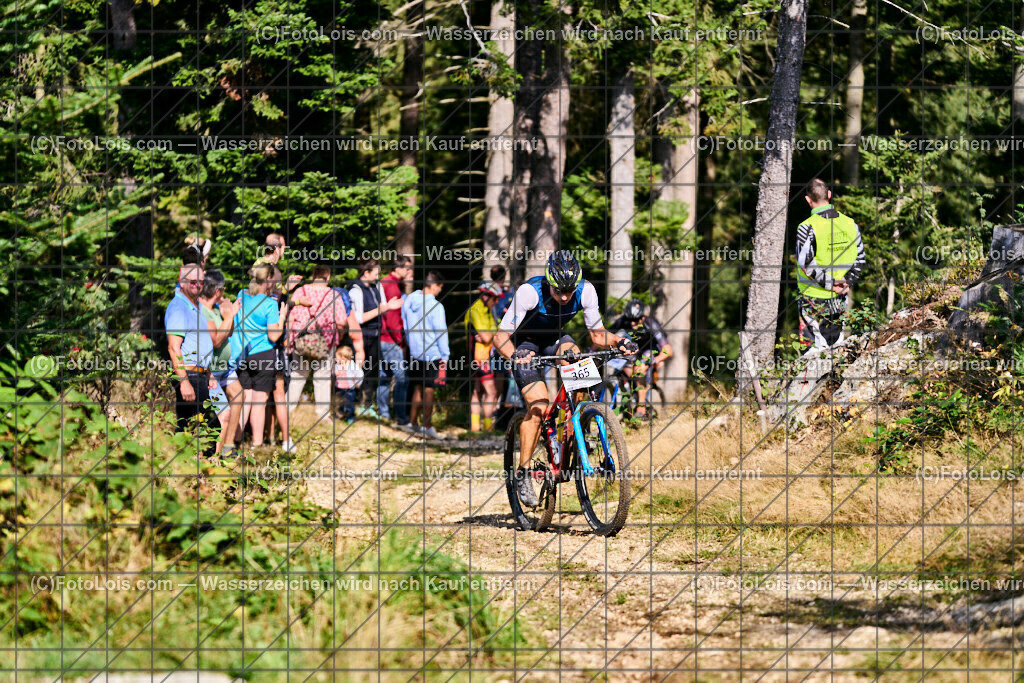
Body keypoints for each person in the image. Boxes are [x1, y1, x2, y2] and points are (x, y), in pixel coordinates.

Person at [492, 250, 636, 506]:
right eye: (559, 291)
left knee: (580, 365)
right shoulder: (529, 292)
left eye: (569, 291)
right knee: (538, 405)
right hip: (524, 345)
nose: (565, 296)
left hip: (555, 339)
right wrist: (515, 355)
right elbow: (500, 338)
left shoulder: (586, 291)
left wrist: (620, 341)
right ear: (548, 282)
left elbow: (598, 334)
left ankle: (574, 432)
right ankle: (523, 474)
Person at [794, 178, 866, 349]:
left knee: (812, 353)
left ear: (807, 199)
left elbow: (806, 265)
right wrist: (847, 282)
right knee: (836, 349)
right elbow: (860, 258)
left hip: (811, 301)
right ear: (829, 195)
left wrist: (830, 284)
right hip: (840, 298)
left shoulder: (806, 228)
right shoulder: (850, 224)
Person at [234, 263, 293, 452]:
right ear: (267, 280)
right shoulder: (269, 304)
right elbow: (274, 336)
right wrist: (282, 316)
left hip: (243, 354)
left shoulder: (241, 295)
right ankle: (256, 446)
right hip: (263, 356)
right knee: (259, 404)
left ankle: (233, 442)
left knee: (245, 401)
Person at [286, 265, 353, 423]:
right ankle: (322, 415)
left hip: (301, 340)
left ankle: (288, 410)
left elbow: (290, 317)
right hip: (325, 342)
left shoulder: (300, 292)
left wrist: (289, 340)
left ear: (313, 275)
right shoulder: (333, 295)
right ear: (328, 277)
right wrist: (339, 336)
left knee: (298, 375)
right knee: (322, 378)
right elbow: (342, 321)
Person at [165, 264, 219, 440]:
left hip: (198, 374)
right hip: (189, 375)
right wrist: (184, 382)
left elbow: (197, 343)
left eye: (201, 282)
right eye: (193, 282)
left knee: (187, 427)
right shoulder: (178, 308)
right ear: (182, 282)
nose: (198, 285)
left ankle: (179, 463)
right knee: (211, 429)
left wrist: (208, 372)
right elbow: (173, 347)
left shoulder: (194, 306)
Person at [198, 269, 243, 456]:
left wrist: (230, 313)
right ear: (217, 291)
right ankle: (214, 458)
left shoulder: (215, 308)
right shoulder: (202, 312)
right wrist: (230, 316)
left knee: (238, 395)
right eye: (222, 290)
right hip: (210, 371)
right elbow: (215, 341)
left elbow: (229, 332)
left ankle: (228, 446)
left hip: (224, 368)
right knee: (221, 414)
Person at [349, 259, 401, 419]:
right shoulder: (355, 290)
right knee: (358, 371)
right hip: (361, 335)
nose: (379, 276)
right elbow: (359, 318)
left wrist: (386, 308)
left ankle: (367, 404)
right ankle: (352, 404)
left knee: (372, 371)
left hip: (376, 335)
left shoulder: (377, 286)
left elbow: (384, 307)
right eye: (376, 273)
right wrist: (383, 308)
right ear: (366, 273)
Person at [402, 272, 449, 440]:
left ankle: (413, 423)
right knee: (429, 389)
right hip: (432, 352)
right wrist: (445, 355)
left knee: (418, 387)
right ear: (434, 285)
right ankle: (427, 426)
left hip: (415, 351)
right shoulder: (436, 307)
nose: (439, 292)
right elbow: (440, 332)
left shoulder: (409, 301)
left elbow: (406, 326)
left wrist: (410, 345)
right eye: (439, 288)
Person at [609, 299, 673, 420]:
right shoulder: (623, 320)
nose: (633, 323)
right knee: (624, 370)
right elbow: (605, 335)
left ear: (642, 317)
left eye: (636, 320)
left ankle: (641, 407)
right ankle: (629, 405)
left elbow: (668, 350)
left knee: (639, 370)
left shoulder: (651, 323)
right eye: (630, 320)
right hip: (635, 350)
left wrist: (658, 360)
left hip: (651, 350)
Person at [378, 256, 412, 427]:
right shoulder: (392, 286)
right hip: (390, 339)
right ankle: (401, 417)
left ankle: (383, 413)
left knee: (385, 376)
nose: (408, 272)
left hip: (382, 337)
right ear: (398, 268)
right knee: (402, 379)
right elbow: (392, 318)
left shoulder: (385, 282)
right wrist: (401, 340)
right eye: (406, 268)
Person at [465, 281, 502, 432]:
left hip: (484, 356)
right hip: (478, 357)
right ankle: (488, 428)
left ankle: (475, 427)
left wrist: (491, 333)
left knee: (478, 391)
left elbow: (494, 332)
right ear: (486, 297)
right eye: (495, 298)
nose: (497, 301)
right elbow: (487, 337)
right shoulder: (476, 310)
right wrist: (492, 333)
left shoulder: (487, 310)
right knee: (491, 391)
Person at [334, 346, 363, 423]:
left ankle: (350, 416)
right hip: (340, 388)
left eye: (338, 358)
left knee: (349, 403)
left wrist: (357, 383)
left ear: (344, 358)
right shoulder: (338, 365)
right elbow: (334, 371)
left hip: (349, 389)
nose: (336, 360)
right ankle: (339, 414)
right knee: (340, 402)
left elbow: (360, 374)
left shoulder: (352, 366)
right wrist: (335, 373)